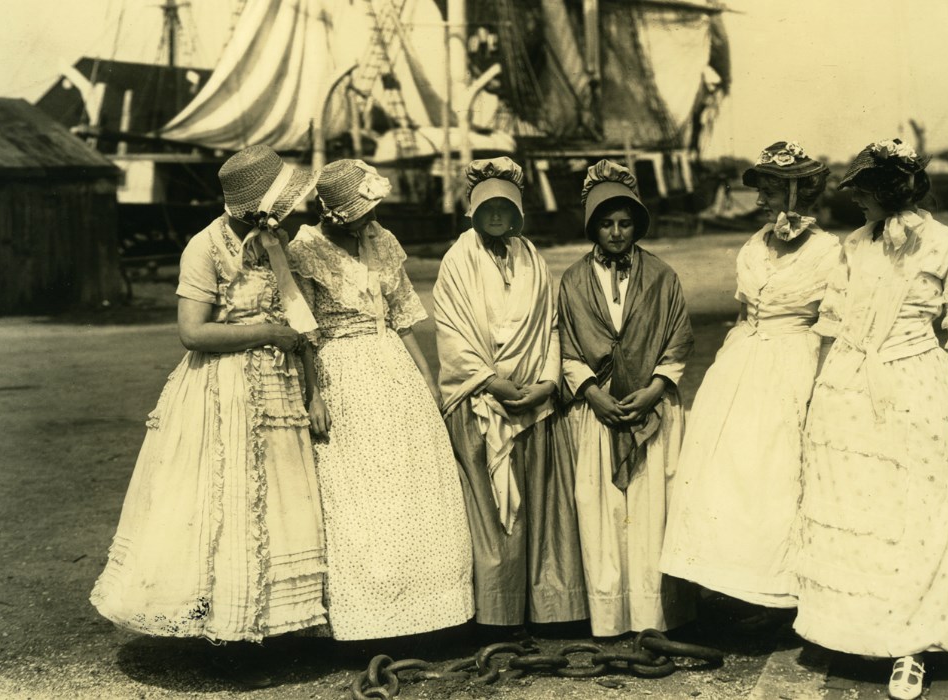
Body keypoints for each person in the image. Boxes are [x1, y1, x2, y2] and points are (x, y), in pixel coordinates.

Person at [793, 139, 948, 700]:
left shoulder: (947, 244)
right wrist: (818, 392)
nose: (858, 203)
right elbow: (831, 324)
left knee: (915, 514)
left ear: (891, 193)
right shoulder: (854, 245)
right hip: (849, 387)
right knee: (857, 507)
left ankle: (912, 646)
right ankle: (858, 630)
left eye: (866, 193)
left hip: (917, 384)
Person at [91, 145, 327, 683]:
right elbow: (192, 331)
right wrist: (265, 332)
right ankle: (229, 640)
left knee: (278, 505)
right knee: (230, 506)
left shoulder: (277, 243)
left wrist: (314, 389)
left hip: (279, 389)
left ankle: (274, 626)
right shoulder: (205, 246)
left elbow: (300, 317)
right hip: (222, 393)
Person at [286, 159, 474, 641]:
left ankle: (430, 610)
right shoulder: (305, 249)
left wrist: (427, 377)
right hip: (340, 369)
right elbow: (304, 330)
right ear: (333, 212)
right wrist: (315, 395)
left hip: (392, 365)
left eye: (371, 210)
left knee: (413, 480)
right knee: (361, 492)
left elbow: (403, 313)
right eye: (360, 213)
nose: (369, 221)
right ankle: (369, 614)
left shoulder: (382, 241)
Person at [661, 142, 839, 613]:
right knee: (728, 468)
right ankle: (728, 583)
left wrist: (821, 386)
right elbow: (745, 313)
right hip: (742, 362)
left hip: (796, 359)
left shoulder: (829, 250)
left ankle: (776, 592)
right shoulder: (754, 245)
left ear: (796, 192)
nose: (760, 201)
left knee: (776, 472)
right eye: (759, 191)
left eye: (769, 191)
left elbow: (835, 325)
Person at [433, 157, 588, 633]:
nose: (497, 215)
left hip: (534, 405)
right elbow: (452, 330)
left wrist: (545, 382)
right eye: (488, 206)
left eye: (506, 206)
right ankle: (497, 613)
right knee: (494, 516)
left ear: (519, 212)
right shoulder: (458, 260)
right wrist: (491, 381)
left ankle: (547, 609)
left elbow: (550, 326)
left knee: (540, 511)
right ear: (472, 210)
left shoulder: (531, 258)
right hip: (484, 402)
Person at [557, 159, 694, 637]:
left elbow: (678, 338)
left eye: (625, 223)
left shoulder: (661, 277)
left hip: (649, 409)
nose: (616, 233)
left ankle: (653, 616)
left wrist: (655, 389)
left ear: (637, 225)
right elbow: (567, 345)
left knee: (651, 508)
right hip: (599, 413)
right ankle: (611, 617)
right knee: (604, 512)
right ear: (593, 226)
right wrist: (592, 394)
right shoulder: (573, 280)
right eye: (607, 224)